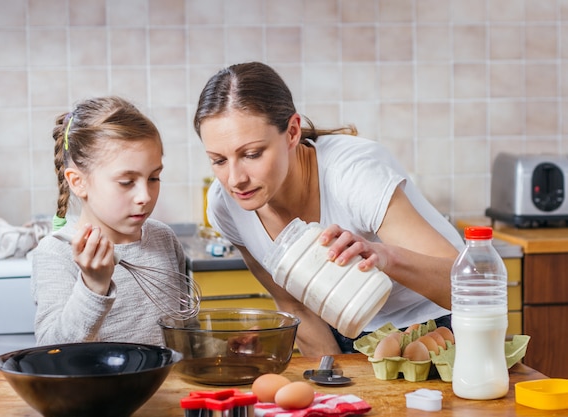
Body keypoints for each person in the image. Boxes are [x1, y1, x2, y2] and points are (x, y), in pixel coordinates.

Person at [193, 62, 465, 356]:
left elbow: (468, 287)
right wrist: (334, 389)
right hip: (344, 332)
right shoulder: (226, 206)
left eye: (252, 154)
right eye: (219, 160)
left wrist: (385, 257)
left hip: (434, 326)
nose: (235, 180)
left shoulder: (353, 174)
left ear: (292, 132)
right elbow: (295, 305)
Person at [31, 96, 187, 346]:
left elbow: (185, 329)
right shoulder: (57, 252)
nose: (145, 196)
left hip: (167, 385)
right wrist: (93, 286)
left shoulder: (164, 239)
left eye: (154, 178)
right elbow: (53, 349)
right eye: (126, 182)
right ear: (78, 182)